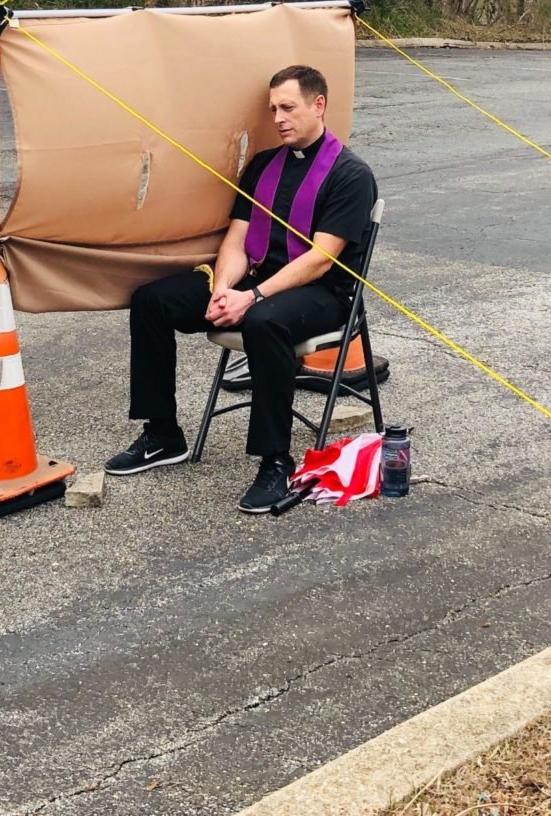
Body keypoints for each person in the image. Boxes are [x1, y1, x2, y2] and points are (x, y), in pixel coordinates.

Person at [106, 64, 379, 512]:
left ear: (319, 105)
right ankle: (162, 435)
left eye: (288, 107)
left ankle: (276, 462)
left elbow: (320, 258)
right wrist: (224, 286)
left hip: (325, 293)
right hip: (253, 279)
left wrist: (251, 297)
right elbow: (236, 237)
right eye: (273, 109)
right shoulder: (263, 165)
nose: (278, 118)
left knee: (263, 321)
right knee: (152, 301)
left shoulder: (350, 175)